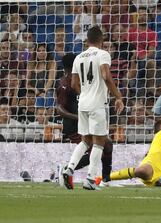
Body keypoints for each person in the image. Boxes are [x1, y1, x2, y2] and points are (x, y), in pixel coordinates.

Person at [61, 26, 124, 190]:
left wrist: (86, 93)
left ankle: (69, 169)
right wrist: (118, 96)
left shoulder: (78, 57)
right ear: (101, 39)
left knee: (85, 140)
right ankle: (90, 179)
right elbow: (106, 76)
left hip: (83, 103)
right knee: (99, 142)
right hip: (97, 104)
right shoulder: (103, 54)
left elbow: (74, 84)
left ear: (87, 40)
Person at [56, 53, 114, 186]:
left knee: (107, 145)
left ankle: (105, 180)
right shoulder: (65, 84)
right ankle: (67, 169)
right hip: (74, 125)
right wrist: (77, 117)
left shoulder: (81, 80)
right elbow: (59, 108)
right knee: (97, 147)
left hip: (87, 119)